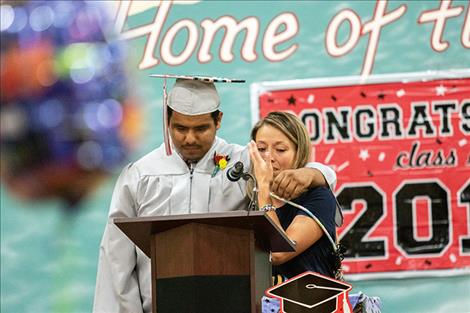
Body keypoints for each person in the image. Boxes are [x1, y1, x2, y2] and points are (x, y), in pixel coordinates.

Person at [93, 77, 338, 313]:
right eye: (180, 128)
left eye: (201, 128)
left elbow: (304, 175)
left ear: (218, 120)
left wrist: (312, 173)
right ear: (167, 120)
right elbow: (117, 259)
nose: (189, 138)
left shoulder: (241, 162)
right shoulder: (140, 175)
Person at [248, 111, 341, 280]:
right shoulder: (248, 197)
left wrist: (263, 188)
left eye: (280, 149)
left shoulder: (319, 197)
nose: (269, 157)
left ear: (299, 152)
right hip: (264, 303)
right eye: (261, 149)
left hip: (312, 303)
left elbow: (279, 252)